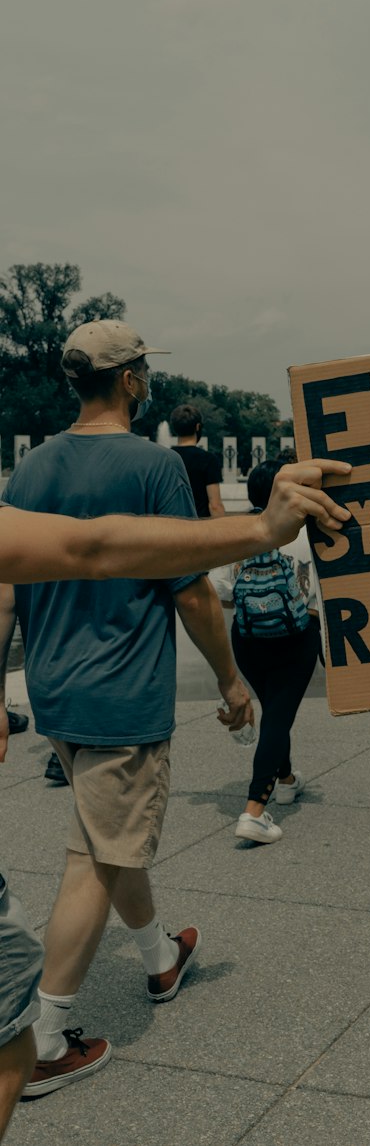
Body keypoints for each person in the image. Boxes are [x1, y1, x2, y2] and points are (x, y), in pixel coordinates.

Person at [0, 319, 347, 1110]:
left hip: (54, 689)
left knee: (111, 835)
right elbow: (190, 584)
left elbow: (8, 587)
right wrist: (230, 680)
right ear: (129, 381)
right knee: (95, 854)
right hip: (123, 691)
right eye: (143, 372)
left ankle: (160, 957)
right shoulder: (154, 465)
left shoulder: (32, 467)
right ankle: (46, 1040)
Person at [212, 461, 322, 844]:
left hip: (249, 640)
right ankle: (254, 810)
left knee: (276, 708)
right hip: (298, 635)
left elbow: (222, 593)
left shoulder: (238, 533)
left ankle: (287, 781)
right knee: (278, 715)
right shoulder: (309, 532)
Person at [170, 404, 225, 518]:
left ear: (174, 428)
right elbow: (215, 505)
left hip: (172, 527)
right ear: (197, 427)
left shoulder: (165, 458)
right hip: (199, 526)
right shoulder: (208, 460)